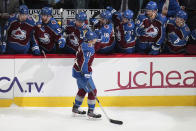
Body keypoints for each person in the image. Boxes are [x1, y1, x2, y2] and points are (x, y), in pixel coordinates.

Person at [72, 30, 101, 119]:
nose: (95, 40)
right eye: (94, 39)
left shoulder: (84, 44)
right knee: (93, 91)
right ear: (90, 40)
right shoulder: (88, 48)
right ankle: (91, 111)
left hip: (77, 71)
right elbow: (84, 62)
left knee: (82, 90)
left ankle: (75, 108)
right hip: (83, 73)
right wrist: (86, 73)